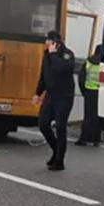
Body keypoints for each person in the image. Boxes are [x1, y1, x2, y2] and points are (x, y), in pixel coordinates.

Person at [33, 30, 76, 171]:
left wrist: (53, 55)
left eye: (48, 41)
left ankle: (59, 160)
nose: (45, 43)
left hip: (64, 96)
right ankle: (56, 150)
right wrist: (38, 93)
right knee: (43, 123)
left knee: (60, 126)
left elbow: (61, 68)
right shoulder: (46, 55)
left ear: (55, 42)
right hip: (51, 95)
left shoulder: (67, 54)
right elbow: (44, 74)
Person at [78, 43, 103, 146]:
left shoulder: (88, 62)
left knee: (88, 116)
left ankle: (84, 138)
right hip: (100, 93)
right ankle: (96, 140)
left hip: (88, 91)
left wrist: (83, 92)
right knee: (97, 117)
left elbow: (81, 79)